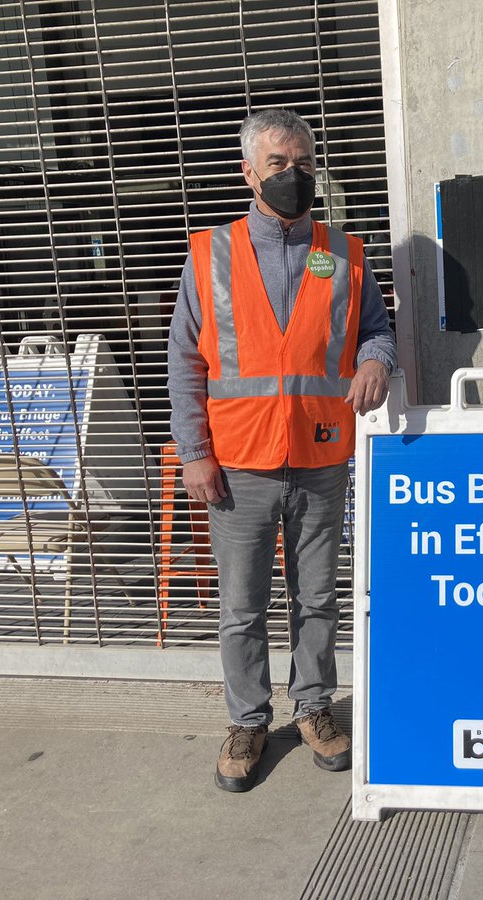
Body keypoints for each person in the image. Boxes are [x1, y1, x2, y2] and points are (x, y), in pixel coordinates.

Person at [168, 108, 396, 792]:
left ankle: (316, 708)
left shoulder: (346, 253)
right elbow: (184, 361)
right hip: (237, 463)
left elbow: (376, 332)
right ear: (248, 171)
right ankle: (247, 720)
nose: (293, 176)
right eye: (278, 164)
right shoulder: (210, 253)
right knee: (241, 606)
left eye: (303, 164)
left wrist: (377, 361)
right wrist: (193, 452)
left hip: (322, 455)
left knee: (317, 597)